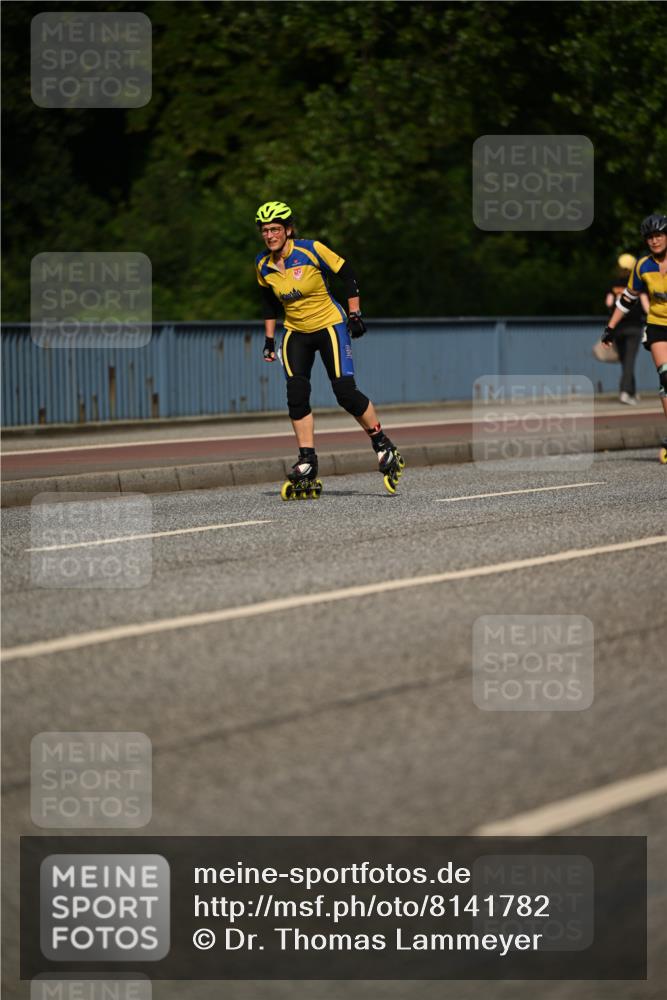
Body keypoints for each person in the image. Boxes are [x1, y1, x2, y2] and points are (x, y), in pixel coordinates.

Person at [254, 201, 404, 496]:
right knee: (296, 395)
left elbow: (348, 273)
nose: (270, 235)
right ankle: (307, 461)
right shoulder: (263, 264)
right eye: (264, 230)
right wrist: (269, 340)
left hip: (329, 326)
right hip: (296, 332)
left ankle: (383, 444)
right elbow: (269, 304)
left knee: (345, 392)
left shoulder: (311, 249)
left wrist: (355, 314)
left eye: (275, 229)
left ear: (288, 230)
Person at [602, 213, 667, 459]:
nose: (654, 240)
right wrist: (610, 327)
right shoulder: (643, 266)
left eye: (659, 235)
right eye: (650, 237)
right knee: (666, 377)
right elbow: (627, 299)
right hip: (658, 325)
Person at [604, 253, 643, 405]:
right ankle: (625, 392)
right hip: (634, 326)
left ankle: (632, 391)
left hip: (618, 327)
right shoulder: (637, 283)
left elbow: (608, 304)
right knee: (630, 360)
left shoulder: (613, 285)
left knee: (625, 361)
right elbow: (646, 305)